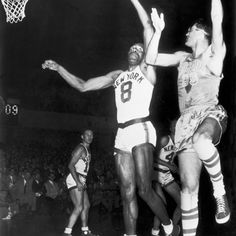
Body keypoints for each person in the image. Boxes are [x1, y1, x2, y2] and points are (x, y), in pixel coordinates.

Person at [42, 1, 180, 235]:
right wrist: (59, 69)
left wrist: (136, 3)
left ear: (145, 55)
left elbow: (147, 27)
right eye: (132, 49)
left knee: (145, 189)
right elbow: (84, 86)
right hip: (122, 134)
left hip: (141, 128)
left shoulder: (147, 69)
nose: (135, 50)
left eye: (139, 49)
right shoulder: (117, 75)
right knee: (127, 194)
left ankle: (168, 225)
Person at [146, 0, 230, 235]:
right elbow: (152, 58)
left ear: (202, 32)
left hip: (209, 114)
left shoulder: (214, 54)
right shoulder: (183, 58)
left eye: (191, 29)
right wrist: (158, 32)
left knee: (202, 140)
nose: (186, 32)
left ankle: (219, 191)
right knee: (188, 190)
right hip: (186, 123)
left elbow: (216, 17)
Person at [63, 129, 98, 236]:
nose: (90, 136)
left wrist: (83, 181)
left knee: (86, 205)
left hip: (81, 178)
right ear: (82, 136)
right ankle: (67, 232)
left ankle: (85, 230)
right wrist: (78, 181)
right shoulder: (80, 148)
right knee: (79, 206)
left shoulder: (88, 148)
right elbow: (70, 165)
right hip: (74, 178)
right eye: (87, 135)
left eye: (91, 135)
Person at [152, 123, 181, 236]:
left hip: (166, 174)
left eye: (178, 124)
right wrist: (169, 166)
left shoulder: (178, 144)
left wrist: (177, 170)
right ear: (170, 127)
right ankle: (155, 231)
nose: (176, 126)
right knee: (161, 204)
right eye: (173, 125)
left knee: (183, 202)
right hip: (155, 173)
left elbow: (170, 161)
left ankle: (171, 229)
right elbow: (152, 156)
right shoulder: (165, 139)